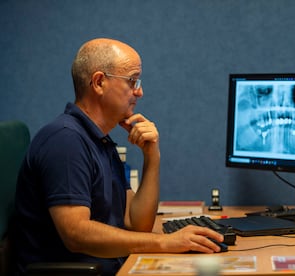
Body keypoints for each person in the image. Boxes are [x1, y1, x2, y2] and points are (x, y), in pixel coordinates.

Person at [11, 38, 224, 275]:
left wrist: (152, 156)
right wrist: (166, 242)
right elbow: (76, 234)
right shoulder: (66, 140)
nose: (140, 92)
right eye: (133, 80)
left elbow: (136, 222)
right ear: (99, 82)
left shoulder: (101, 141)